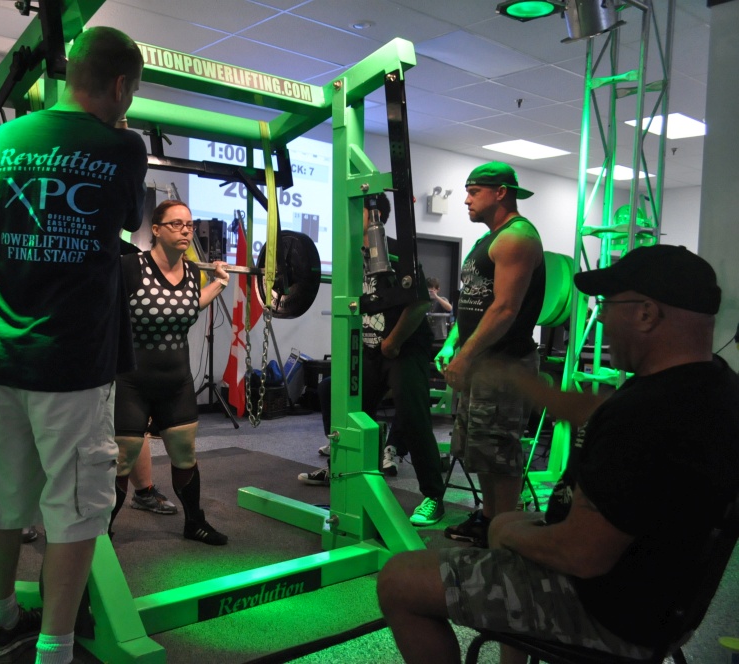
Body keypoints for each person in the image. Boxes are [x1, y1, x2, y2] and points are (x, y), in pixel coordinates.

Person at [378, 244, 739, 663]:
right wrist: (523, 383)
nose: (601, 318)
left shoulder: (646, 416)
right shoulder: (709, 386)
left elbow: (581, 554)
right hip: (661, 597)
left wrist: (507, 535)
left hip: (605, 609)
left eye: (608, 305)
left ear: (646, 314)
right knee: (510, 523)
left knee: (399, 580)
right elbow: (598, 411)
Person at [0, 27, 147, 664]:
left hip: (0, 357)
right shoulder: (122, 146)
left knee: (0, 495)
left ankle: (1, 620)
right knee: (76, 507)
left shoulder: (3, 140)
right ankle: (55, 649)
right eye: (131, 91)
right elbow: (126, 222)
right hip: (73, 363)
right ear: (120, 86)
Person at [298, 193, 447, 527]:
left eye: (357, 210)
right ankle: (342, 469)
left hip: (404, 347)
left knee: (411, 409)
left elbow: (421, 303)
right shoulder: (350, 254)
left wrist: (393, 343)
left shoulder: (396, 252)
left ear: (374, 215)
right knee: (333, 392)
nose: (349, 216)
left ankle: (433, 496)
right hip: (370, 348)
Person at [435, 162, 544, 547]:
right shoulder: (487, 240)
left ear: (500, 192)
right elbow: (471, 301)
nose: (466, 199)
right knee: (479, 449)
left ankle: (504, 531)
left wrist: (465, 356)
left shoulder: (517, 237)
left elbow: (504, 309)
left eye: (474, 191)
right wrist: (452, 343)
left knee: (500, 451)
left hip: (505, 365)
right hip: (480, 363)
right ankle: (488, 519)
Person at [110, 199, 229, 545]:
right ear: (156, 230)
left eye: (189, 225)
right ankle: (99, 533)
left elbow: (187, 306)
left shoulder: (192, 272)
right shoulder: (130, 267)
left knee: (185, 455)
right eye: (176, 224)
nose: (185, 231)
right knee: (121, 460)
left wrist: (219, 283)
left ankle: (195, 523)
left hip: (177, 382)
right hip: (131, 382)